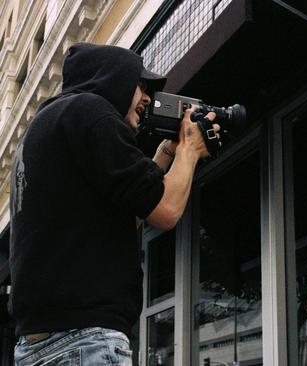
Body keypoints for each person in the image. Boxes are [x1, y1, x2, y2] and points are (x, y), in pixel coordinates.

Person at [9, 43, 219, 365]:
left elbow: (120, 217)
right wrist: (190, 151)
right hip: (86, 341)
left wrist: (166, 153)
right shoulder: (92, 111)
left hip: (36, 346)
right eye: (141, 85)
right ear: (112, 77)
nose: (148, 99)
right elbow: (165, 211)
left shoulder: (46, 128)